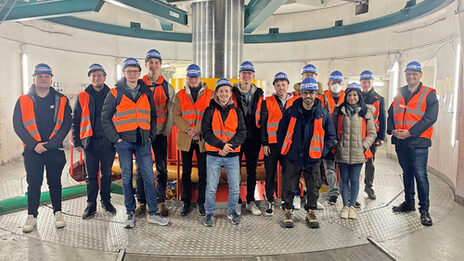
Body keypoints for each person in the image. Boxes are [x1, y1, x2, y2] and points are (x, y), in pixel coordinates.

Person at [102, 58, 169, 228]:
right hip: (124, 143)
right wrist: (116, 138)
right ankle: (130, 213)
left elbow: (153, 115)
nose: (132, 74)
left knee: (148, 176)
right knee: (126, 178)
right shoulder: (115, 93)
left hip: (143, 142)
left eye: (135, 71)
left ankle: (153, 212)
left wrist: (151, 135)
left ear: (140, 73)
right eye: (129, 71)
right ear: (124, 73)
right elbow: (105, 118)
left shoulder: (146, 92)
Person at [13, 63, 72, 233]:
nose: (44, 79)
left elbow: (66, 123)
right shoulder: (23, 99)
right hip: (33, 152)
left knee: (55, 183)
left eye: (47, 76)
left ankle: (58, 213)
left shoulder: (61, 99)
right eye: (40, 76)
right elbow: (18, 125)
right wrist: (33, 145)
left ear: (51, 79)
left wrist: (52, 143)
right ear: (34, 79)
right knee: (34, 184)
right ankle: (32, 216)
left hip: (55, 150)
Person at [277, 77, 336, 229]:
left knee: (313, 187)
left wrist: (322, 151)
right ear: (300, 93)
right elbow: (281, 132)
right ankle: (288, 211)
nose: (308, 96)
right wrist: (287, 151)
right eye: (305, 93)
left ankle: (311, 211)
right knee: (289, 185)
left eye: (311, 93)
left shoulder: (323, 114)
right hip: (293, 157)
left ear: (316, 94)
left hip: (313, 158)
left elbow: (331, 136)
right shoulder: (291, 112)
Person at [388, 61, 438, 226]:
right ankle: (409, 203)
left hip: (419, 142)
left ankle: (424, 210)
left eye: (414, 73)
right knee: (407, 173)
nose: (411, 76)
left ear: (420, 75)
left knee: (420, 175)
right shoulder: (399, 93)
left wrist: (410, 132)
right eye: (408, 73)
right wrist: (392, 130)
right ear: (405, 75)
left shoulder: (429, 93)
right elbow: (390, 113)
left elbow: (430, 118)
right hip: (401, 142)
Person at [72, 64, 116, 219]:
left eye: (99, 75)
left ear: (104, 77)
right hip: (89, 142)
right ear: (90, 78)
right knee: (91, 176)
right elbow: (76, 119)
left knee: (106, 174)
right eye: (93, 75)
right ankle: (91, 205)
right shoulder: (83, 96)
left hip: (108, 142)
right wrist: (76, 141)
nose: (97, 78)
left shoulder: (113, 94)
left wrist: (117, 139)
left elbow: (118, 118)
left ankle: (106, 201)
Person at [136, 49, 175, 217]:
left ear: (160, 65)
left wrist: (166, 131)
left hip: (159, 134)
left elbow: (171, 109)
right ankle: (142, 203)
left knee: (162, 168)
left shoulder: (167, 87)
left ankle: (160, 202)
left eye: (156, 63)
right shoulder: (138, 84)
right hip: (142, 133)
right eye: (150, 62)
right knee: (140, 170)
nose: (153, 65)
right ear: (146, 65)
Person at [202, 78, 247, 227]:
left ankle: (232, 211)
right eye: (221, 91)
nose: (224, 94)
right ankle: (209, 213)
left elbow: (242, 132)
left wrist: (230, 146)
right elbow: (206, 132)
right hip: (213, 155)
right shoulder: (209, 110)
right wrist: (221, 145)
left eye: (226, 91)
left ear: (230, 93)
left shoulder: (237, 111)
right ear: (216, 93)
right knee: (211, 187)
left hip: (232, 155)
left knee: (235, 187)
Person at [333, 83, 377, 220]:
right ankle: (345, 206)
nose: (352, 97)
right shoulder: (339, 111)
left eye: (355, 95)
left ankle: (352, 206)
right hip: (342, 152)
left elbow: (372, 133)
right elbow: (332, 131)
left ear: (359, 96)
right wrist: (337, 144)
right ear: (346, 96)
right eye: (349, 95)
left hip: (359, 153)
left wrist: (364, 146)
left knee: (355, 179)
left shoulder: (366, 112)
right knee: (344, 179)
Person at [173, 64, 212, 216]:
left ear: (200, 78)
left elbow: (211, 115)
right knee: (186, 174)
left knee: (204, 173)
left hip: (203, 139)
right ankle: (186, 203)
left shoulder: (210, 94)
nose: (193, 80)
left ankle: (202, 203)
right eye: (191, 77)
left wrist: (199, 129)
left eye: (196, 77)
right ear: (187, 78)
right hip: (186, 138)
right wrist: (190, 130)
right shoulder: (180, 95)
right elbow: (176, 115)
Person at [256, 72, 294, 215]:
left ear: (287, 86)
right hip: (271, 145)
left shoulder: (295, 101)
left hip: (288, 145)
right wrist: (264, 144)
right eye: (278, 85)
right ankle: (270, 201)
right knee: (270, 174)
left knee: (288, 173)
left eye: (283, 85)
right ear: (274, 86)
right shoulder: (268, 101)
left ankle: (285, 200)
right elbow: (263, 124)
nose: (281, 87)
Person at [232, 61, 264, 216]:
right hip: (236, 138)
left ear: (253, 76)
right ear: (239, 75)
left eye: (249, 73)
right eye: (243, 73)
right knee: (235, 171)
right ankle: (237, 202)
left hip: (253, 138)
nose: (246, 76)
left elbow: (263, 118)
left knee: (252, 171)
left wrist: (263, 139)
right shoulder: (231, 92)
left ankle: (250, 201)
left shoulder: (259, 93)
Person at [360, 70, 386, 200]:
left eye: (368, 82)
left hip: (371, 137)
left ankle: (368, 186)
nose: (366, 84)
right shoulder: (356, 96)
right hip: (357, 136)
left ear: (372, 82)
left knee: (370, 163)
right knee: (354, 162)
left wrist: (381, 137)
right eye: (364, 82)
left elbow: (382, 118)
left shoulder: (379, 99)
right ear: (361, 83)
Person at [323, 70, 345, 205]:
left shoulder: (349, 96)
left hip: (344, 139)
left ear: (342, 84)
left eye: (338, 83)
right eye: (333, 83)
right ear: (328, 83)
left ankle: (346, 192)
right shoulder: (322, 97)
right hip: (327, 138)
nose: (336, 85)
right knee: (329, 168)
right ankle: (333, 193)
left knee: (344, 168)